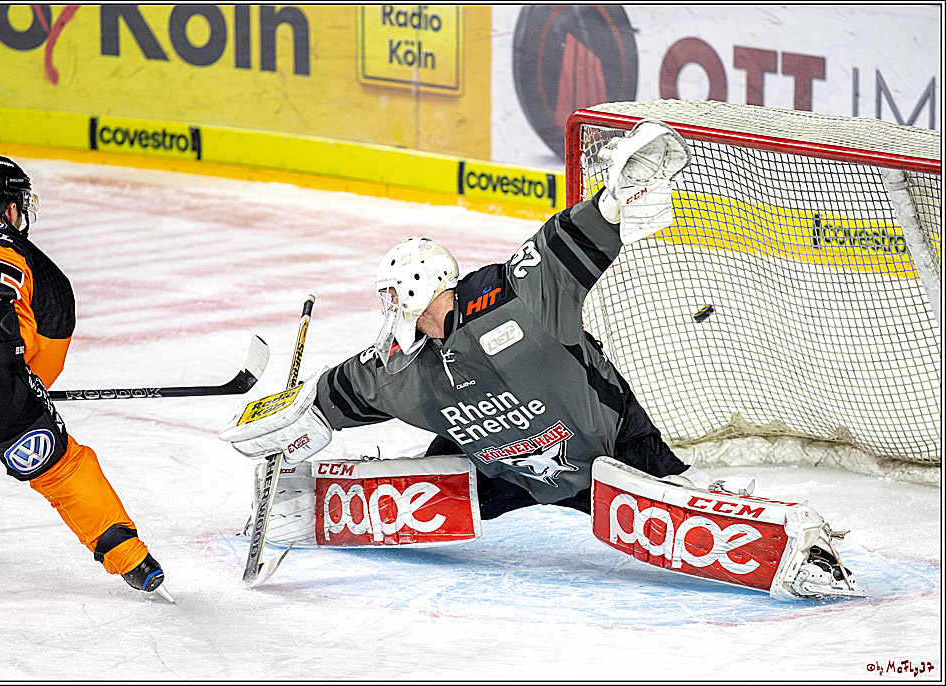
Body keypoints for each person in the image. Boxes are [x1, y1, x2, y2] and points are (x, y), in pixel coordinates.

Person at [221, 121, 713, 520]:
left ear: (421, 285)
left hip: (608, 445)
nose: (389, 307)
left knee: (672, 497)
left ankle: (712, 502)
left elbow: (560, 244)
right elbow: (343, 391)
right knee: (428, 477)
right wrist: (294, 415)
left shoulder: (512, 295)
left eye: (393, 294)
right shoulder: (401, 365)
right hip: (510, 475)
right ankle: (312, 506)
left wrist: (612, 203)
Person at [0, 155, 166, 597]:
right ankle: (132, 560)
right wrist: (20, 392)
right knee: (63, 468)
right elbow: (48, 364)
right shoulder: (42, 267)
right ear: (9, 208)